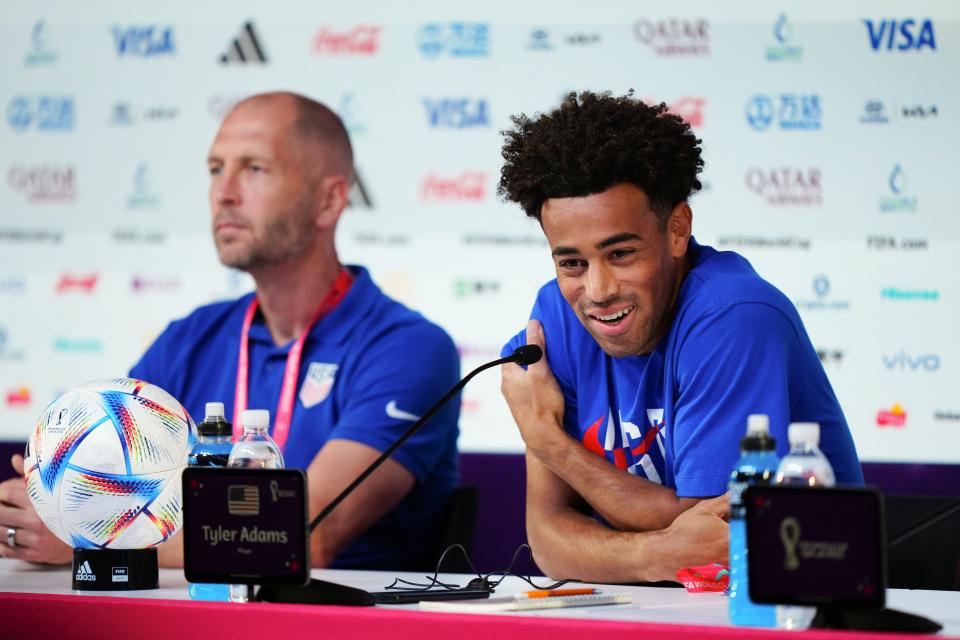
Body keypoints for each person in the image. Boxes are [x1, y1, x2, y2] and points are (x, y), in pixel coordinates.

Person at [0, 92, 460, 570]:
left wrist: (91, 539)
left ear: (329, 201)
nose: (224, 192)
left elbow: (302, 535)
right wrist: (55, 500)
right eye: (216, 168)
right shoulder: (190, 338)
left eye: (255, 169)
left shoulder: (408, 348)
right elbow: (101, 480)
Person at [498, 91, 863, 583]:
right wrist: (658, 554)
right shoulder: (554, 320)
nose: (598, 291)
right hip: (658, 610)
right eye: (572, 263)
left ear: (677, 229)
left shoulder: (733, 316)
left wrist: (547, 440)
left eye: (621, 254)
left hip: (798, 602)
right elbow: (547, 540)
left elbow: (716, 537)